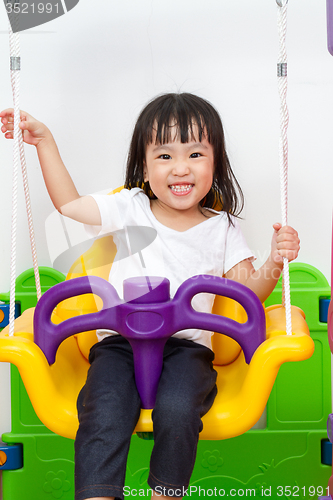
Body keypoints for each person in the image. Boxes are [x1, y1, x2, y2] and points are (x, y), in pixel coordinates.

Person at [1, 93, 300, 500]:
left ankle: (166, 493)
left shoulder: (222, 228)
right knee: (102, 412)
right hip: (118, 345)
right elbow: (70, 206)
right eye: (164, 156)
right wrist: (46, 142)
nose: (180, 168)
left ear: (216, 162)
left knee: (178, 409)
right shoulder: (130, 208)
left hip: (186, 348)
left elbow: (247, 293)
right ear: (144, 166)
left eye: (195, 153)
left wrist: (276, 261)